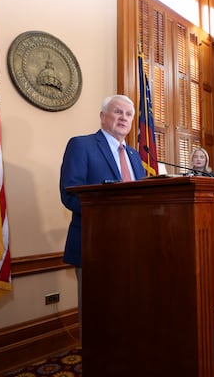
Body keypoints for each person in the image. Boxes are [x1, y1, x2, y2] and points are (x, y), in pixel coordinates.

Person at [59, 95, 147, 340]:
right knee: (96, 315)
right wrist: (111, 218)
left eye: (128, 114)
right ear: (102, 116)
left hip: (134, 246)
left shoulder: (134, 156)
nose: (123, 118)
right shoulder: (81, 145)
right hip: (95, 245)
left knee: (127, 311)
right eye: (117, 112)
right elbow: (70, 195)